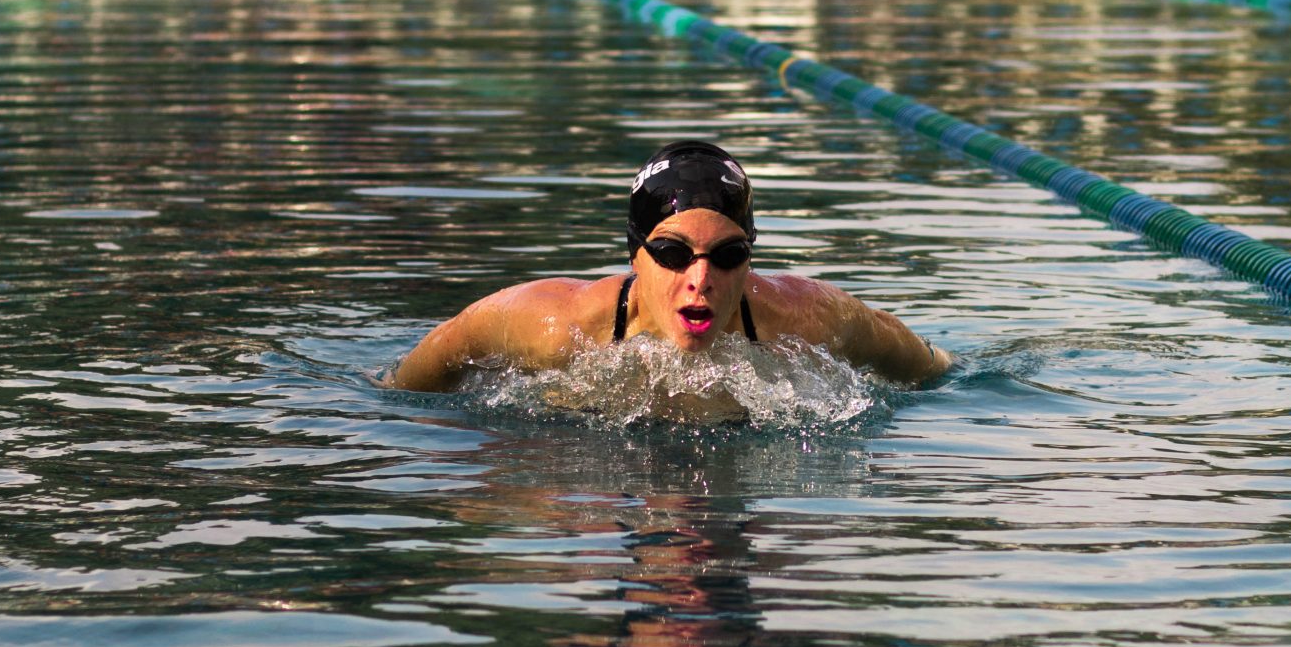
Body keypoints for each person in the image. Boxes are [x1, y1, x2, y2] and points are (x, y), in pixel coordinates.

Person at [389, 141, 951, 392]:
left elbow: (933, 371)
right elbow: (427, 367)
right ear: (635, 253)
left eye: (727, 256)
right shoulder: (556, 326)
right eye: (674, 254)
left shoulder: (811, 319)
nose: (700, 279)